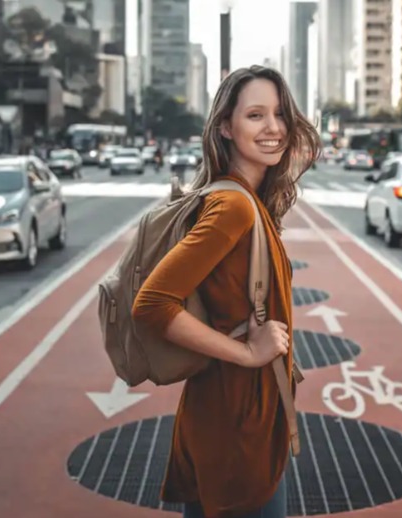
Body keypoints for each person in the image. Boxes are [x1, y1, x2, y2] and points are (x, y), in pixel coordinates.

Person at [131, 66, 320, 518]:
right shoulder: (233, 204)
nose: (273, 127)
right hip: (237, 425)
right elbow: (152, 305)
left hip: (236, 416)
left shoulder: (246, 199)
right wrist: (248, 354)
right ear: (225, 127)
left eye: (279, 113)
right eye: (255, 115)